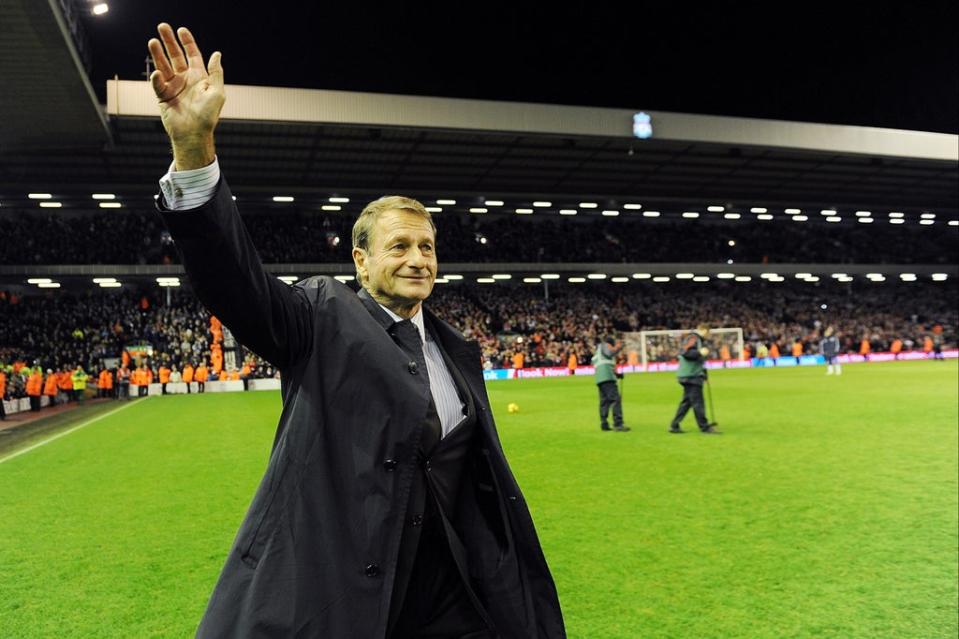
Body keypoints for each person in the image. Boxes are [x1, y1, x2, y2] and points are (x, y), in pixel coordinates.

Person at [147, 24, 564, 639]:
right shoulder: (322, 315)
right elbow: (236, 284)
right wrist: (194, 153)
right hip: (343, 589)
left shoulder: (457, 351)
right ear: (360, 261)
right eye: (399, 246)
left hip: (449, 592)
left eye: (427, 246)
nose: (419, 258)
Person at [669, 326, 719, 434]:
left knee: (687, 402)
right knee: (698, 402)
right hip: (691, 376)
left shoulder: (694, 339)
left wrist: (703, 373)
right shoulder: (694, 338)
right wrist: (700, 353)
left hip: (689, 375)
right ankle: (704, 427)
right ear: (704, 330)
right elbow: (687, 353)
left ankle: (674, 425)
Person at [591, 336, 629, 432]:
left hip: (600, 378)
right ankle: (618, 424)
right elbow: (610, 353)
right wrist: (618, 347)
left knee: (604, 402)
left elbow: (605, 363)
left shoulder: (598, 352)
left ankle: (604, 423)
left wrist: (617, 374)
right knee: (615, 399)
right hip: (607, 377)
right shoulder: (605, 346)